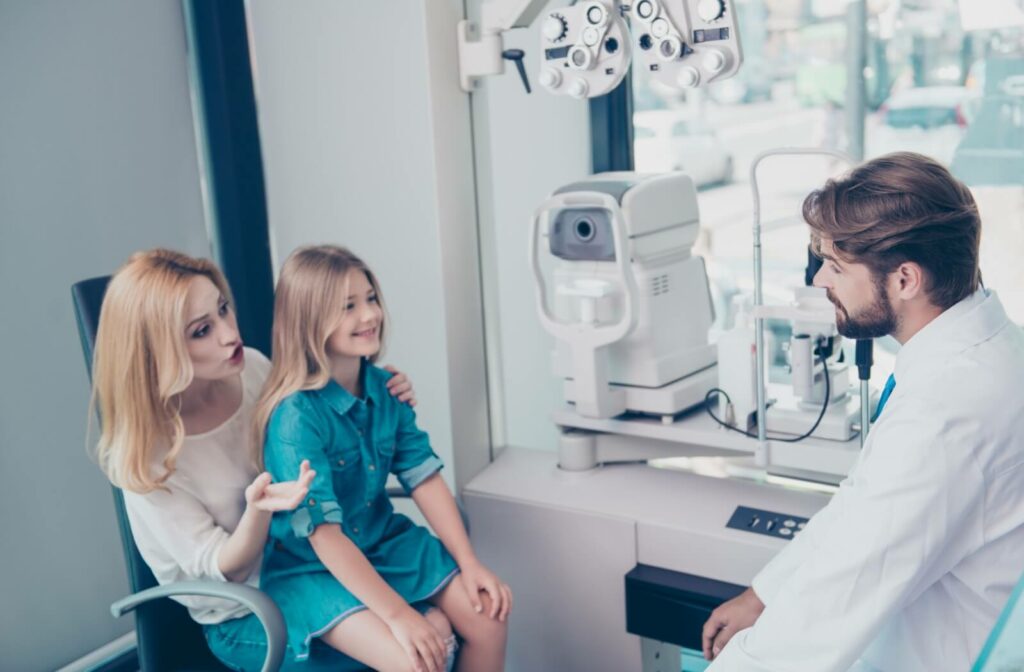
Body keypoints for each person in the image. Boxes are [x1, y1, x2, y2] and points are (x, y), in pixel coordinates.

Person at [702, 152, 1024, 671]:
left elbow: (829, 608)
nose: (820, 281)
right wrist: (765, 593)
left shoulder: (943, 419)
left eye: (837, 265)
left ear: (905, 280)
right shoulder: (993, 346)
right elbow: (865, 500)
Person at [91, 249, 420, 671]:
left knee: (440, 632)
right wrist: (257, 512)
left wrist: (383, 402)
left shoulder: (252, 370)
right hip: (246, 611)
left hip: (309, 568)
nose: (230, 335)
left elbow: (326, 437)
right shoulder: (144, 459)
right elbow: (223, 569)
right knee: (411, 656)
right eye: (202, 331)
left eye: (224, 310)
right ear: (156, 352)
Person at [254, 245, 512, 672]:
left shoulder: (386, 388)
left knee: (488, 616)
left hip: (382, 542)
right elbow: (325, 537)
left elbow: (423, 478)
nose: (369, 315)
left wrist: (470, 564)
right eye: (348, 307)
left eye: (370, 298)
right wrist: (398, 615)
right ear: (309, 322)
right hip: (315, 569)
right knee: (416, 659)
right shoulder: (294, 419)